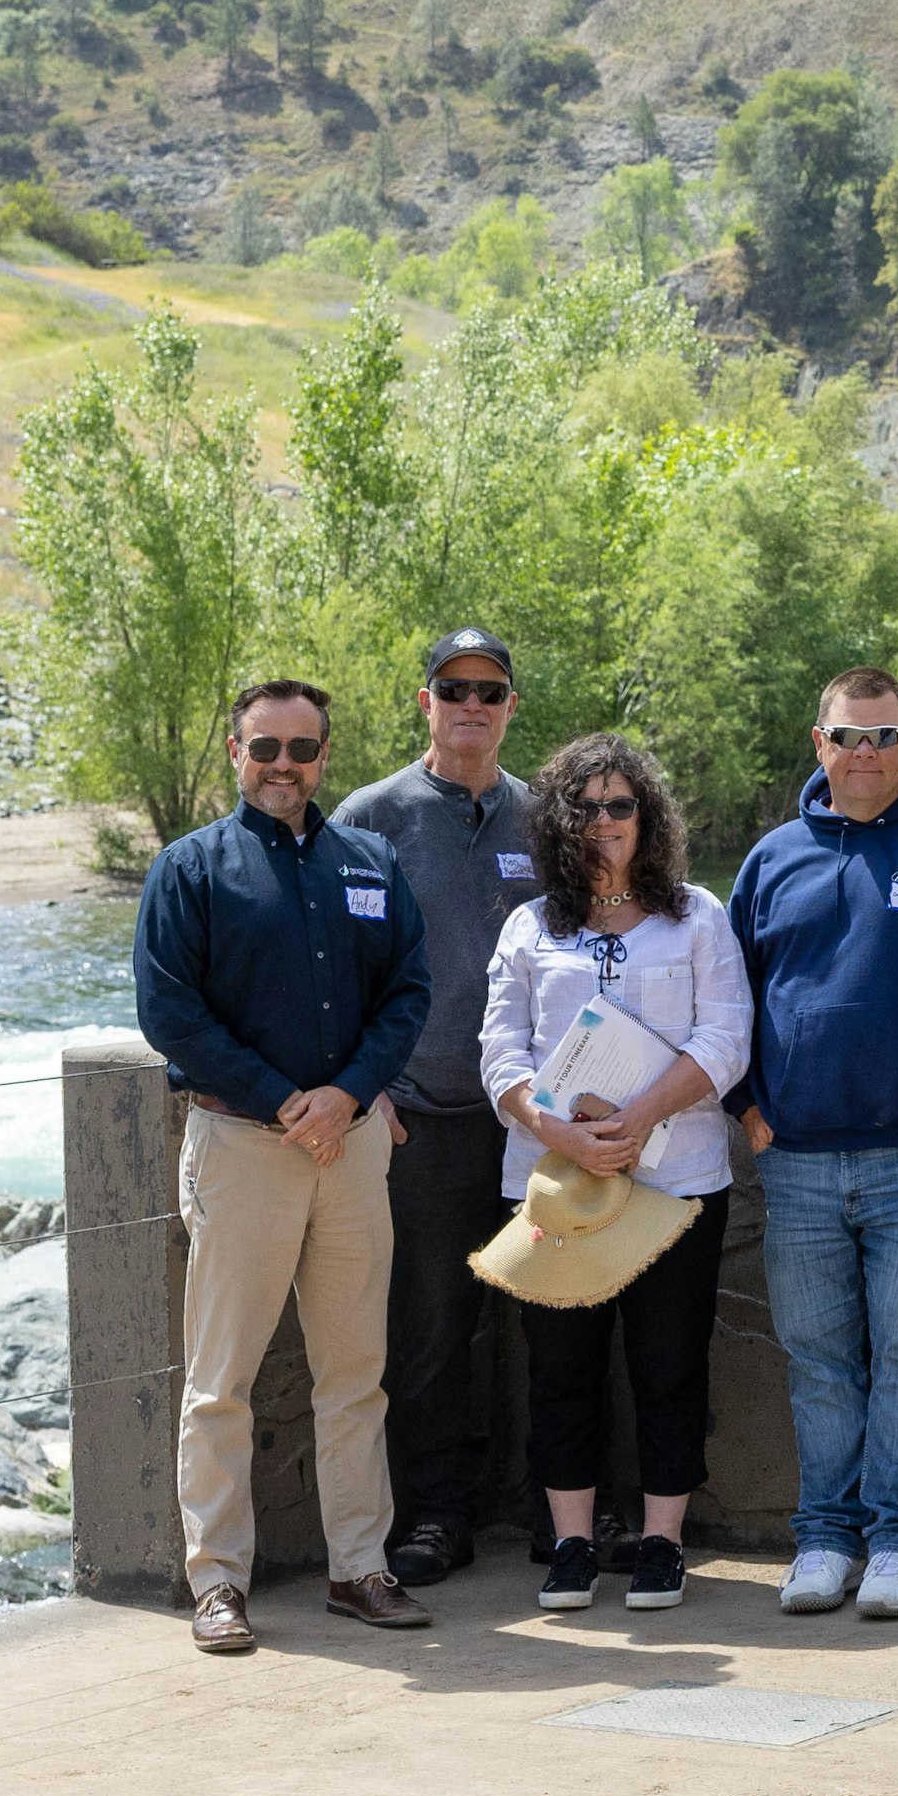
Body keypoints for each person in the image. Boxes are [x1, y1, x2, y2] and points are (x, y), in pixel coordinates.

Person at [130, 677, 434, 1653]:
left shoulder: (370, 862)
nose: (283, 766)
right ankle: (218, 1581)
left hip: (347, 1150)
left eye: (301, 749)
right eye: (265, 747)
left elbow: (408, 991)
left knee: (356, 1371)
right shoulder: (189, 869)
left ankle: (360, 1566)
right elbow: (170, 1011)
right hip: (241, 1148)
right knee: (221, 1380)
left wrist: (346, 1093)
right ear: (234, 752)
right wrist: (282, 1098)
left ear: (323, 757)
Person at [730, 668, 898, 1621]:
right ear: (819, 744)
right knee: (819, 1359)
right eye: (848, 737)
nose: (865, 755)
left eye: (884, 737)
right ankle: (823, 1540)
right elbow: (728, 998)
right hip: (797, 1157)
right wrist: (745, 1106)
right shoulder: (772, 859)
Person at [478, 735, 752, 1616]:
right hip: (556, 1184)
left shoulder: (697, 916)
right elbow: (499, 1051)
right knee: (562, 1368)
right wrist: (559, 1129)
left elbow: (726, 1039)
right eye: (585, 808)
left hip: (677, 1182)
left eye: (620, 806)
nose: (603, 824)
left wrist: (639, 1119)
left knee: (669, 1366)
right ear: (560, 821)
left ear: (648, 817)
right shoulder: (530, 927)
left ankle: (664, 1543)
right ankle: (570, 1543)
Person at [334, 627, 543, 1589]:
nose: (472, 703)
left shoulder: (545, 823)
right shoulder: (371, 818)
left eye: (489, 690)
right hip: (419, 1118)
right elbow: (331, 966)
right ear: (425, 701)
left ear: (509, 706)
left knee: (557, 1317)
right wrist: (366, 1086)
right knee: (427, 1331)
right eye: (453, 687)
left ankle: (563, 1511)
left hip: (534, 1122)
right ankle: (434, 1519)